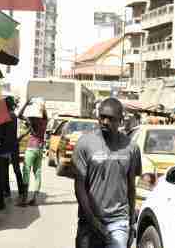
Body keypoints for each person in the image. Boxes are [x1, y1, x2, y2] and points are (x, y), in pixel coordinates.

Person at [74, 98, 141, 248]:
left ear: (121, 121)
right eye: (102, 116)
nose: (104, 121)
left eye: (110, 118)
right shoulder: (85, 144)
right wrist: (93, 221)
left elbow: (131, 187)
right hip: (89, 221)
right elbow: (79, 187)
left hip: (118, 221)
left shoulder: (131, 148)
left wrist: (131, 224)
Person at [18, 98, 48, 206]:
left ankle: (24, 199)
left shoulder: (33, 119)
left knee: (26, 171)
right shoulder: (45, 120)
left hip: (31, 148)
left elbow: (19, 115)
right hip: (40, 149)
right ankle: (34, 199)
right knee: (37, 173)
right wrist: (42, 107)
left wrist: (26, 103)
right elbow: (45, 113)